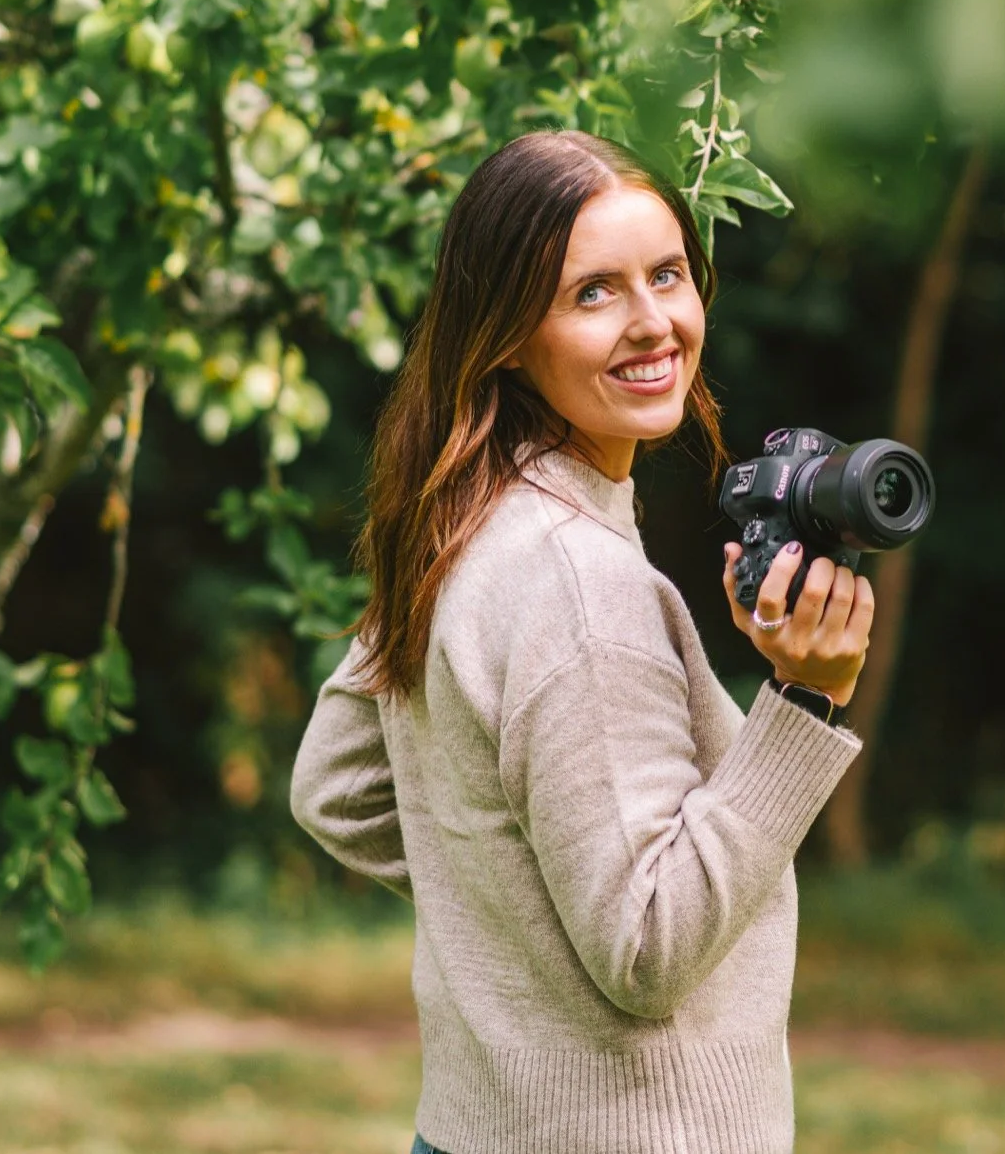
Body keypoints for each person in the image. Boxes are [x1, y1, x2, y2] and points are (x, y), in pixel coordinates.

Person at [291, 129, 875, 1154]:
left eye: (668, 275)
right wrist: (805, 699)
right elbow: (648, 947)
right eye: (593, 292)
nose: (653, 323)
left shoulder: (464, 522)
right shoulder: (581, 583)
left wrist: (518, 913)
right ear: (509, 334)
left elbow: (334, 788)